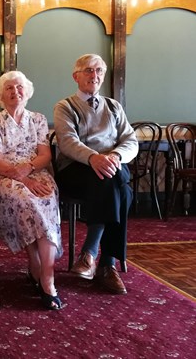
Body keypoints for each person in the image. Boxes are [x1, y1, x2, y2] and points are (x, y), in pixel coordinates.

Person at [53, 54, 138, 295]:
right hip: (75, 170)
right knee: (120, 186)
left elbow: (130, 140)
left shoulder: (113, 106)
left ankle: (93, 259)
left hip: (109, 169)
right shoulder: (65, 106)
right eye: (89, 70)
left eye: (99, 70)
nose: (95, 75)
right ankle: (105, 263)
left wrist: (116, 157)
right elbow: (68, 142)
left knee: (117, 183)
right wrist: (94, 158)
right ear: (76, 76)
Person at [0, 71, 63, 310]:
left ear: (26, 92)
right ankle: (36, 266)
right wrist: (22, 178)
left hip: (36, 172)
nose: (15, 91)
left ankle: (45, 274)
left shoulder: (38, 119)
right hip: (4, 177)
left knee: (46, 197)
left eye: (19, 87)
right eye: (9, 88)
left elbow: (45, 155)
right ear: (1, 94)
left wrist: (28, 170)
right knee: (26, 200)